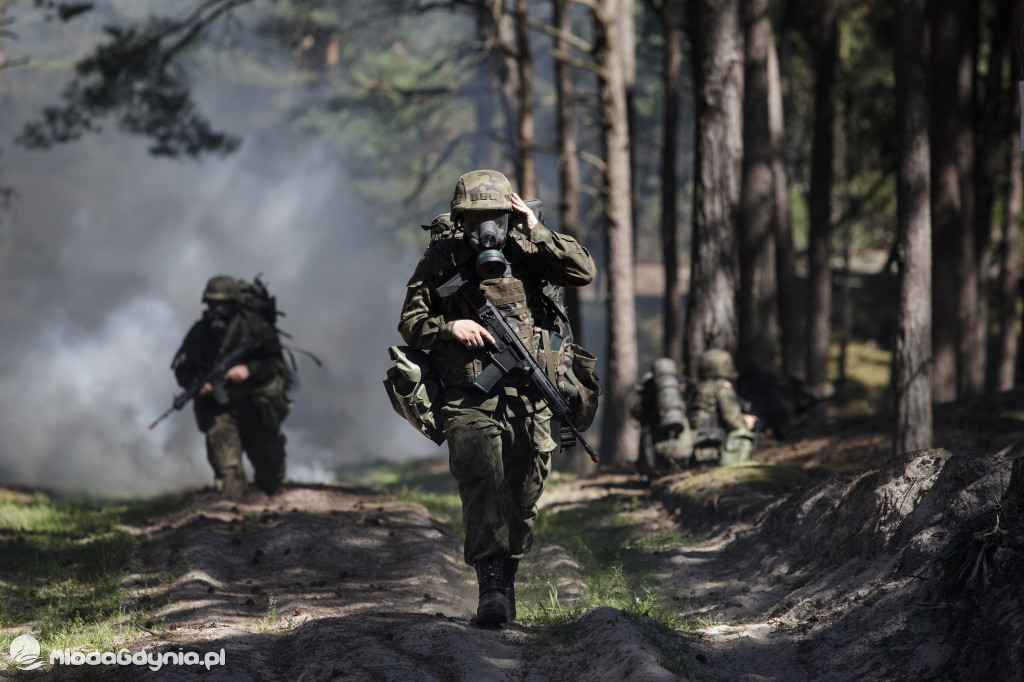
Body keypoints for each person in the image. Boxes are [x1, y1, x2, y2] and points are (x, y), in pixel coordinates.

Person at [398, 169, 596, 626]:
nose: (487, 227)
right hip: (469, 395)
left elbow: (583, 272)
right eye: (476, 218)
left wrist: (536, 229)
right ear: (461, 220)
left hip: (529, 394)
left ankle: (506, 573)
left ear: (511, 214)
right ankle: (491, 587)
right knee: (481, 479)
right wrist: (451, 327)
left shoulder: (531, 249)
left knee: (522, 494)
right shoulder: (443, 256)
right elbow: (410, 321)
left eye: (497, 216)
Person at [172, 275, 293, 499]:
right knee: (229, 479)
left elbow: (277, 364)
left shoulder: (254, 327)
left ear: (235, 304)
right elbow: (183, 370)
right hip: (219, 411)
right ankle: (235, 513)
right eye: (213, 304)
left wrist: (249, 370)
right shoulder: (200, 333)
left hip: (255, 406)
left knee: (271, 473)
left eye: (224, 305)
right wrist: (197, 385)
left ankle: (269, 501)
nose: (218, 311)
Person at [688, 349, 758, 466]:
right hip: (715, 449)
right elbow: (734, 421)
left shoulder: (698, 388)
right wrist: (746, 421)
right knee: (743, 432)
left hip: (696, 448)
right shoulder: (722, 387)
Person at [629, 357, 694, 477]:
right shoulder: (679, 382)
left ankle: (654, 472)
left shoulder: (647, 384)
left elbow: (635, 409)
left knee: (654, 452)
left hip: (654, 428)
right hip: (681, 429)